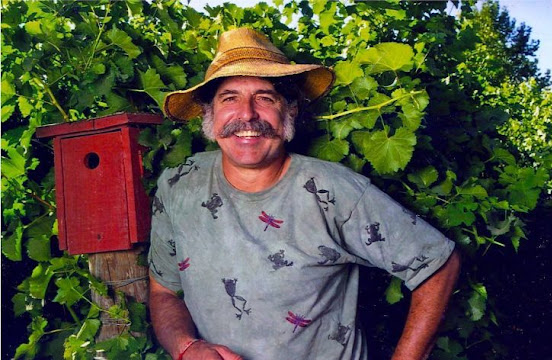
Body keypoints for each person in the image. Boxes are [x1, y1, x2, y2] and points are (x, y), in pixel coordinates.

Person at [148, 27, 460, 360]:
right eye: (230, 98)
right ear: (209, 115)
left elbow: (437, 264)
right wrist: (187, 347)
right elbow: (163, 290)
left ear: (290, 111)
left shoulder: (335, 191)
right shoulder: (178, 185)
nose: (247, 114)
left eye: (265, 98)